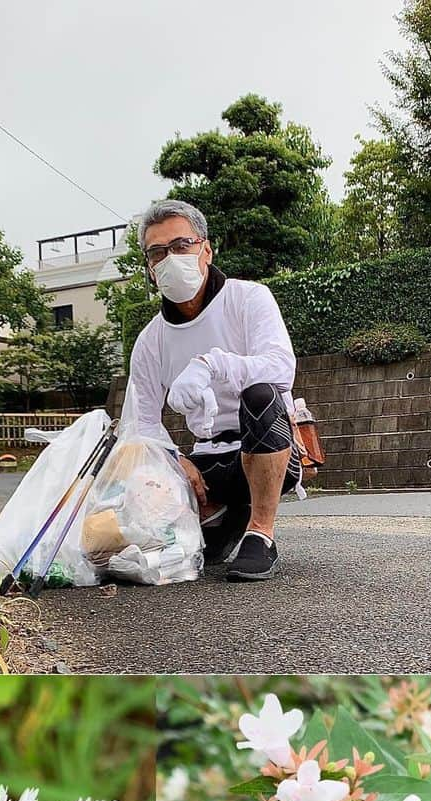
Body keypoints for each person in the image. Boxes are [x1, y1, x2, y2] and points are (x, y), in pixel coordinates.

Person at [121, 199, 302, 581]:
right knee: (173, 536)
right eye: (157, 252)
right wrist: (174, 459)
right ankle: (220, 514)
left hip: (266, 446)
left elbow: (281, 368)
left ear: (205, 249)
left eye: (181, 245)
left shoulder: (248, 298)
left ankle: (261, 533)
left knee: (261, 394)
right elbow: (140, 418)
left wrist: (212, 364)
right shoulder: (151, 339)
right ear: (150, 268)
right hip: (205, 463)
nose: (170, 258)